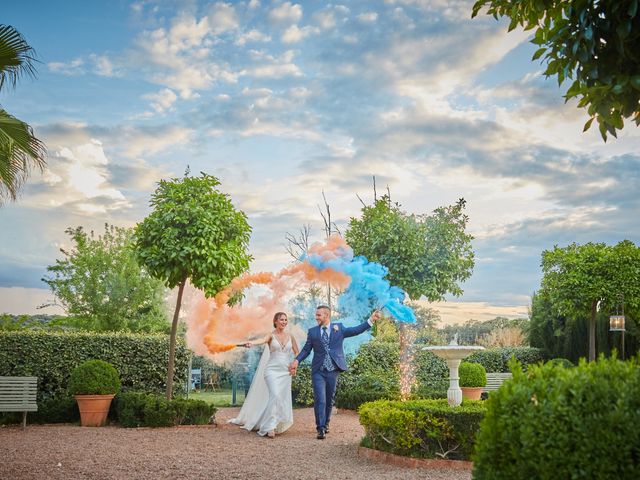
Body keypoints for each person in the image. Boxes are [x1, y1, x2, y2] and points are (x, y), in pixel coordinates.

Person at [289, 305, 380, 439]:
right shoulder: (313, 332)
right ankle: (320, 428)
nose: (316, 317)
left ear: (327, 315)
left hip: (333, 370)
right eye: (316, 315)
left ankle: (326, 424)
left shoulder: (339, 328)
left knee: (329, 399)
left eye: (319, 315)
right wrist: (297, 360)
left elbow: (355, 330)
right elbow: (306, 350)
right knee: (320, 399)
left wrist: (371, 320)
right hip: (318, 370)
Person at [229, 312, 299, 438]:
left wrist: (295, 365)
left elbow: (297, 352)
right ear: (275, 321)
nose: (284, 322)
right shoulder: (270, 336)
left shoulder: (290, 336)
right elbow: (261, 340)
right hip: (271, 370)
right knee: (275, 395)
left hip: (285, 372)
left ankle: (275, 422)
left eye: (285, 320)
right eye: (281, 320)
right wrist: (251, 343)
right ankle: (270, 427)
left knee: (280, 398)